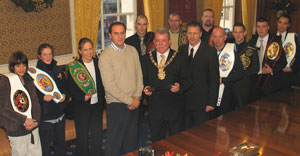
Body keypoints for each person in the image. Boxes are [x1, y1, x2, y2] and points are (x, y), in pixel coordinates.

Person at [99, 22, 143, 156]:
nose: (120, 36)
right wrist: (130, 100)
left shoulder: (133, 50)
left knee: (131, 141)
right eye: (116, 33)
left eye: (122, 32)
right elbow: (110, 86)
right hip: (117, 106)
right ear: (110, 35)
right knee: (114, 143)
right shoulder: (105, 56)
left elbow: (139, 75)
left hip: (135, 103)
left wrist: (137, 97)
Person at [143, 27, 190, 142]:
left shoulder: (180, 58)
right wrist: (145, 88)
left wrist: (180, 87)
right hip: (155, 106)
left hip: (175, 106)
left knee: (176, 140)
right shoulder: (146, 59)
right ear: (154, 42)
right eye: (157, 41)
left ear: (169, 42)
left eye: (163, 40)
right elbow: (142, 80)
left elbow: (189, 79)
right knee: (157, 140)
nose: (160, 44)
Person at [67, 38, 105, 156]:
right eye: (85, 50)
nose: (88, 52)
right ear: (80, 51)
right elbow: (70, 87)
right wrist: (82, 97)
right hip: (81, 106)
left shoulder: (98, 62)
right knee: (82, 136)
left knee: (96, 135)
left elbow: (102, 83)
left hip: (97, 105)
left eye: (90, 49)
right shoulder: (74, 67)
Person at [178, 20, 219, 128]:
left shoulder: (210, 51)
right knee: (185, 132)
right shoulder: (181, 50)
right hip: (184, 101)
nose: (192, 36)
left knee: (201, 132)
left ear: (200, 34)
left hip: (202, 102)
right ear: (186, 34)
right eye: (190, 33)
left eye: (195, 33)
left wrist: (211, 102)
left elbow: (214, 79)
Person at [0, 51, 42, 156]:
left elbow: (35, 102)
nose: (21, 68)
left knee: (36, 153)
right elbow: (4, 108)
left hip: (32, 126)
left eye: (24, 65)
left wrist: (36, 121)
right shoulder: (7, 81)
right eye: (18, 65)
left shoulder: (28, 79)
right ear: (12, 67)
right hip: (16, 128)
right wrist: (24, 120)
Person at [36, 43, 69, 156]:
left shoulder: (58, 69)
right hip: (46, 118)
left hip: (60, 115)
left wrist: (65, 96)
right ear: (39, 56)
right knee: (44, 148)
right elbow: (32, 96)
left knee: (60, 146)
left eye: (50, 54)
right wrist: (42, 97)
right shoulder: (35, 74)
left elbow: (66, 88)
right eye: (45, 54)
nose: (48, 57)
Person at [211, 27, 244, 118]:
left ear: (225, 37)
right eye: (215, 36)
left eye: (220, 36)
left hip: (227, 93)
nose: (217, 39)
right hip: (211, 93)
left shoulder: (231, 52)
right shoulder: (209, 52)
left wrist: (224, 79)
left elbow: (240, 73)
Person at [249, 18, 287, 97]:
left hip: (269, 81)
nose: (260, 29)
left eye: (263, 26)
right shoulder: (252, 41)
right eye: (258, 26)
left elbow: (283, 62)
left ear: (268, 27)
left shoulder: (275, 41)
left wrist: (272, 70)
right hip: (254, 80)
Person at [231, 23, 259, 107]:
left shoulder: (251, 49)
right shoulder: (228, 47)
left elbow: (256, 68)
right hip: (229, 85)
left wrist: (241, 74)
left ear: (245, 33)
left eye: (240, 32)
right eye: (235, 32)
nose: (238, 35)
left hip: (244, 85)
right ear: (233, 33)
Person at [276, 14, 300, 88]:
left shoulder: (292, 38)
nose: (282, 25)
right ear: (277, 23)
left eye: (285, 23)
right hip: (272, 74)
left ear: (289, 25)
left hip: (286, 74)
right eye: (280, 22)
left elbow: (298, 56)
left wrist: (292, 68)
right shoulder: (270, 37)